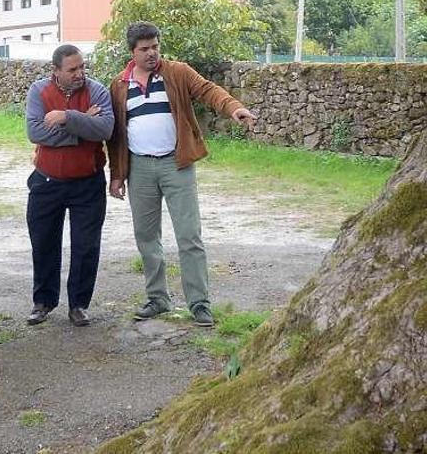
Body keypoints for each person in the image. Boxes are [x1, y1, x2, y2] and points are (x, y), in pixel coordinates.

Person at [106, 22, 256, 327]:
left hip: (177, 165)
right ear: (132, 52)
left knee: (189, 236)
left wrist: (234, 108)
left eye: (155, 46)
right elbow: (115, 136)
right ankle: (158, 298)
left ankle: (199, 302)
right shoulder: (119, 85)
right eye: (144, 49)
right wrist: (117, 174)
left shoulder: (177, 72)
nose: (151, 53)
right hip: (140, 169)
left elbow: (209, 91)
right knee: (147, 237)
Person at [25, 45, 115, 327]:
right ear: (56, 71)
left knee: (86, 247)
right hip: (47, 182)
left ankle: (78, 304)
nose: (80, 74)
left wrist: (67, 117)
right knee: (43, 243)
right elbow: (35, 132)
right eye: (72, 69)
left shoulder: (97, 91)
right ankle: (43, 302)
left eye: (82, 67)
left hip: (88, 183)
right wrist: (83, 122)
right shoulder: (38, 92)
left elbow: (106, 129)